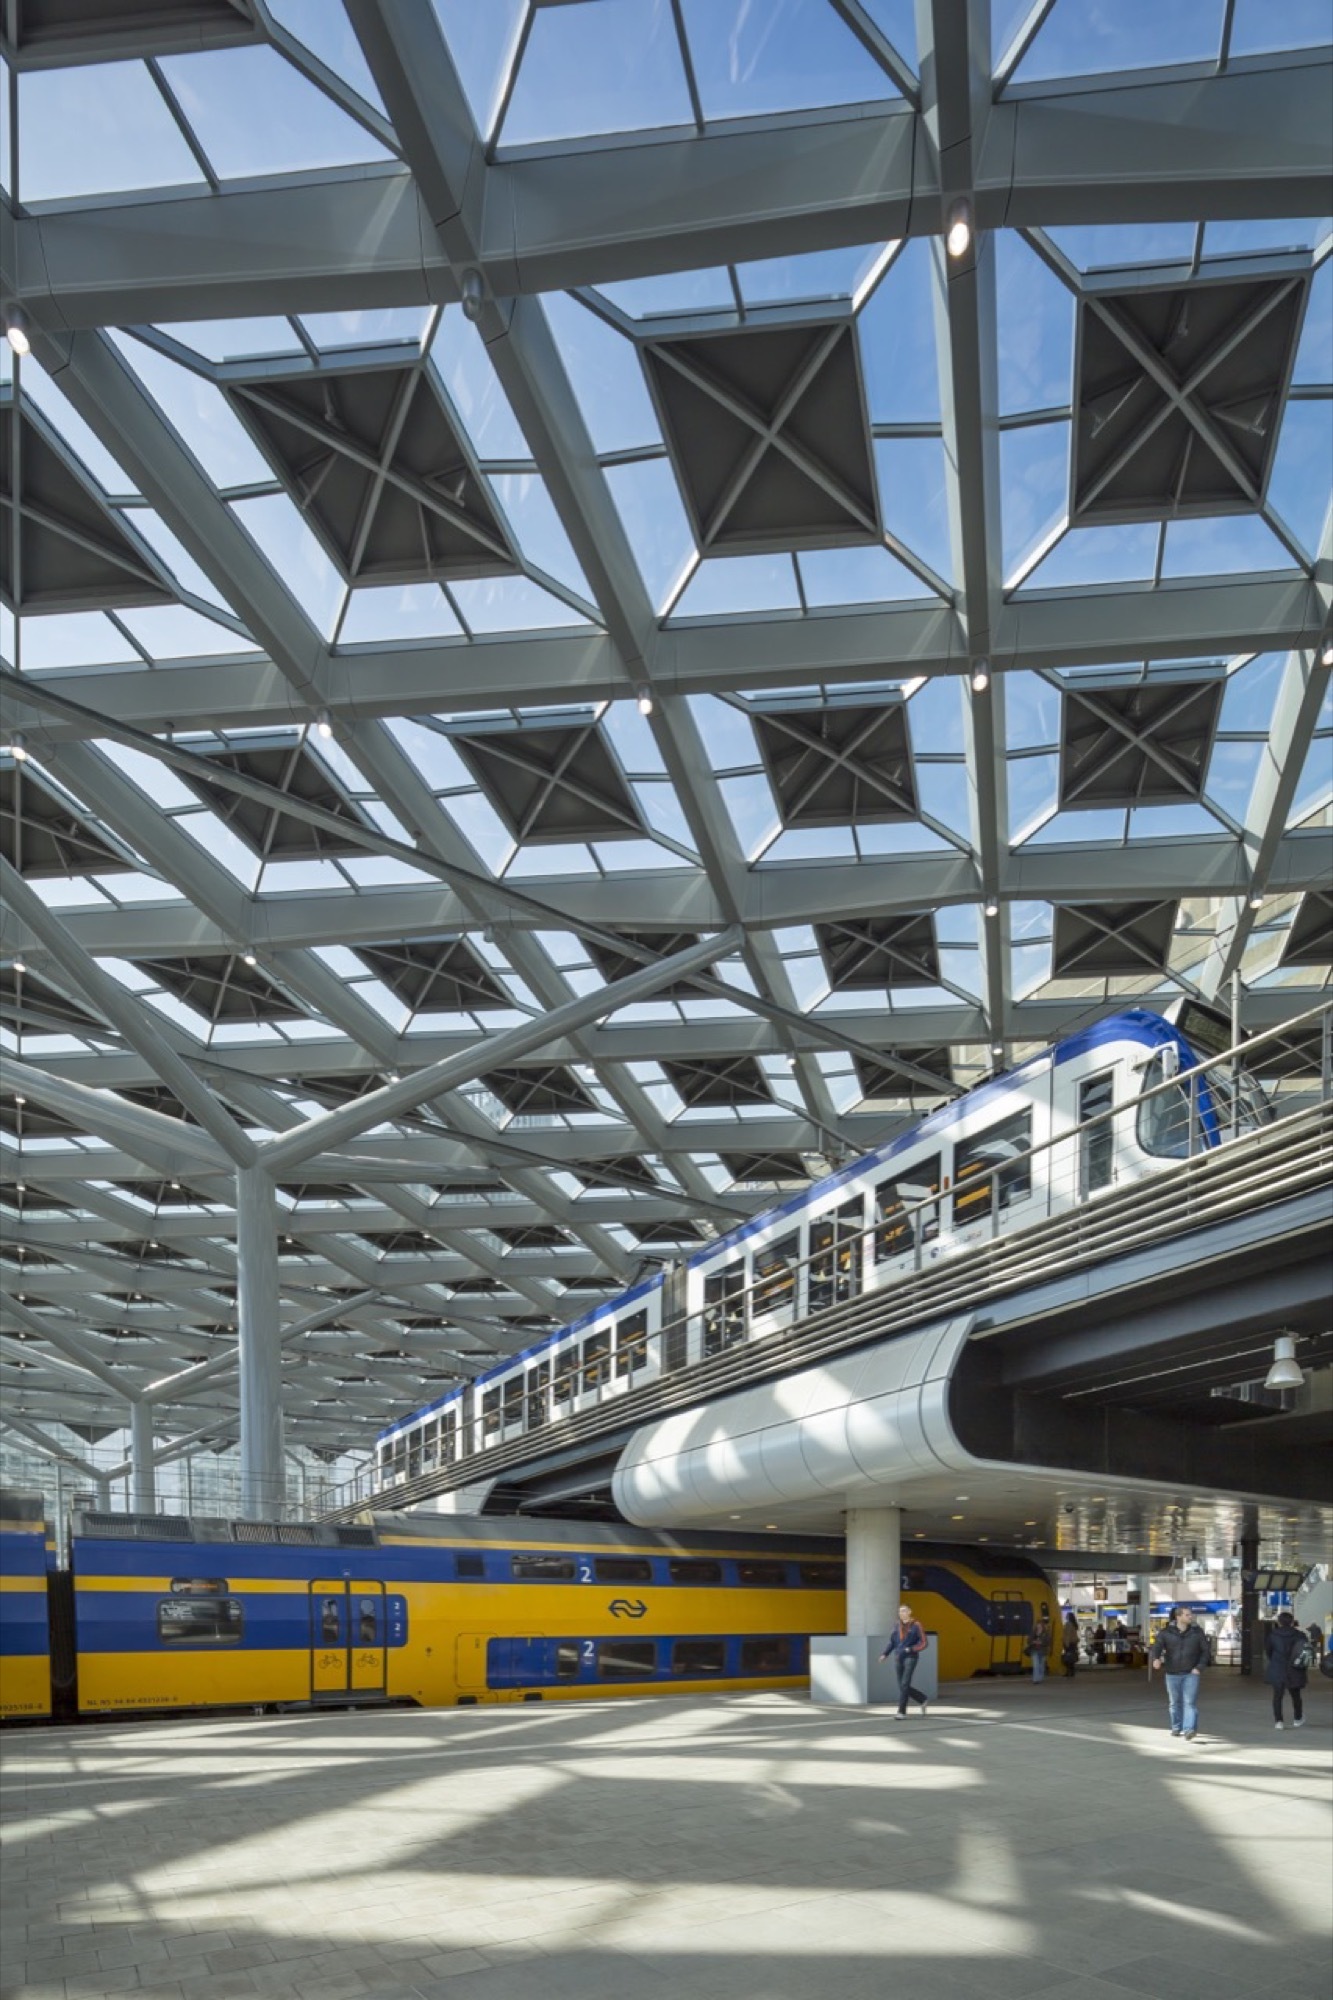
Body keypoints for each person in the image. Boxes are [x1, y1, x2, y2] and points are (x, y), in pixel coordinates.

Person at [1150, 1604, 1211, 1739]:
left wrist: (1199, 1667)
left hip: (1191, 1673)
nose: (1191, 1617)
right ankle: (1176, 1727)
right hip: (1172, 1673)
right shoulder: (1166, 1633)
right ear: (1178, 1617)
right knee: (1174, 1703)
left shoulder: (1197, 1632)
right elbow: (1157, 1646)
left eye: (1190, 1614)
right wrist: (1156, 1658)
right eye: (1187, 1615)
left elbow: (1206, 1651)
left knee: (1189, 1703)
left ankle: (1189, 1729)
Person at [879, 1603, 929, 1717]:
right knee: (902, 1686)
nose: (902, 1613)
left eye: (904, 1611)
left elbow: (924, 1643)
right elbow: (892, 1642)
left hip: (910, 1657)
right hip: (898, 1658)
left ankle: (901, 1712)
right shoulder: (897, 1625)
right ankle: (922, 1699)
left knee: (905, 1683)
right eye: (900, 1611)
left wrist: (911, 1649)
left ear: (910, 1612)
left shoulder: (916, 1625)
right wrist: (885, 1654)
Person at [1266, 1610, 1308, 1730]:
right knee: (1296, 1695)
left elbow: (1268, 1651)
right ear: (1292, 1622)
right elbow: (1305, 1651)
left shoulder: (1273, 1635)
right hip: (1295, 1668)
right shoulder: (1299, 1635)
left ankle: (1279, 1721)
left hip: (1278, 1667)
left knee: (1277, 1696)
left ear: (1279, 1622)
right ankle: (1297, 1719)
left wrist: (1274, 1661)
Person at [1029, 1610, 1052, 1683]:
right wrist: (1033, 1641)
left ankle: (1040, 1677)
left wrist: (1041, 1642)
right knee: (1036, 1665)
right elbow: (1029, 1640)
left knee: (1041, 1665)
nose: (1038, 1627)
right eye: (1037, 1626)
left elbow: (1048, 1641)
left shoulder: (1046, 1633)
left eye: (1040, 1626)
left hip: (1042, 1651)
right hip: (1035, 1650)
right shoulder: (1033, 1632)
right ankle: (1035, 1679)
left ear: (1042, 1626)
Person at [1061, 1611, 1080, 1677]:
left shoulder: (1068, 1624)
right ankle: (1072, 1672)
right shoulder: (1074, 1624)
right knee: (1071, 1659)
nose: (1066, 1616)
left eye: (1067, 1615)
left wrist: (1066, 1643)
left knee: (1068, 1658)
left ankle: (1068, 1672)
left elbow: (1067, 1635)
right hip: (1073, 1643)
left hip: (1069, 1643)